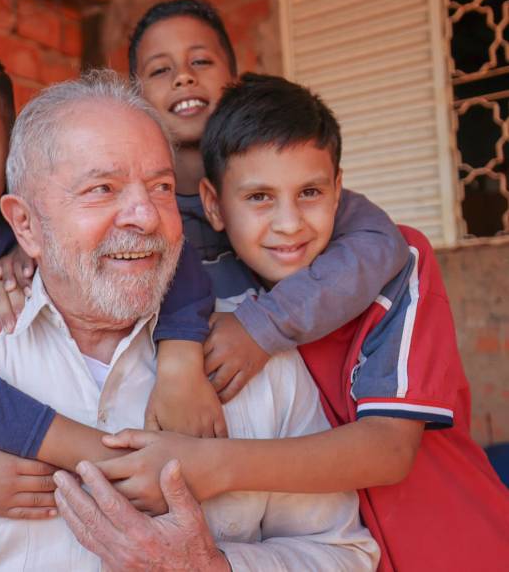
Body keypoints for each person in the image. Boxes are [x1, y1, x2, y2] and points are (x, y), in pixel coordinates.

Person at [0, 70, 379, 571]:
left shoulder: (250, 364)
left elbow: (344, 553)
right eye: (101, 189)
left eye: (160, 187)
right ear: (26, 225)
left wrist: (213, 568)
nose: (144, 216)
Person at [92, 74, 509, 571]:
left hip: (454, 546)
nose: (289, 223)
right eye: (259, 197)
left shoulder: (398, 266)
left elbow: (389, 450)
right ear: (213, 204)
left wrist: (210, 466)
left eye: (309, 191)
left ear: (338, 190)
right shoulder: (206, 290)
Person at [0, 33, 228, 499]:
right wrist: (109, 460)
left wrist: (179, 365)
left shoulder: (49, 223)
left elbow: (167, 255)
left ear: (10, 153)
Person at [129, 0, 411, 401]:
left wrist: (263, 325)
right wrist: (8, 253)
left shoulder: (295, 194)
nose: (183, 78)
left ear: (234, 76)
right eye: (160, 69)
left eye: (201, 62)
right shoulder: (136, 209)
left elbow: (380, 244)